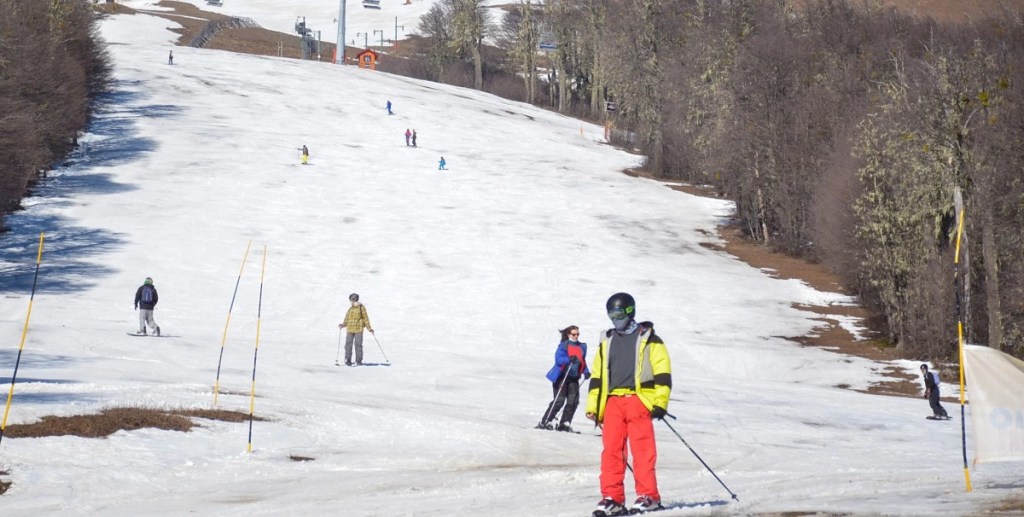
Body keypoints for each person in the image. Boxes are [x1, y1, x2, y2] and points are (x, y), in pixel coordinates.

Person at [586, 292, 670, 516]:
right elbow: (597, 376)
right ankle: (612, 497)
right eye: (611, 315)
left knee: (642, 451)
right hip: (612, 401)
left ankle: (649, 496)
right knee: (612, 451)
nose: (615, 319)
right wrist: (593, 406)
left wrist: (660, 402)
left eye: (619, 314)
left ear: (630, 312)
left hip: (638, 400)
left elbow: (662, 372)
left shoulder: (649, 339)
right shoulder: (607, 340)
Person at [536, 325, 591, 432]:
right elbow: (558, 360)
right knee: (559, 400)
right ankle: (546, 421)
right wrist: (568, 359)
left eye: (577, 334)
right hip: (562, 376)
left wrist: (586, 371)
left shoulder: (582, 346)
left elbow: (582, 361)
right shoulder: (564, 346)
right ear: (568, 335)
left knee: (573, 401)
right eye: (573, 334)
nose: (576, 336)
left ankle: (565, 423)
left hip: (574, 378)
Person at [338, 293, 374, 366]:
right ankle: (347, 359)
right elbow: (347, 319)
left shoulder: (361, 308)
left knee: (358, 345)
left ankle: (358, 361)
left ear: (354, 300)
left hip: (358, 329)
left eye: (351, 300)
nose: (350, 301)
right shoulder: (350, 309)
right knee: (348, 344)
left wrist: (369, 328)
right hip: (350, 329)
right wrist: (343, 325)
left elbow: (365, 318)